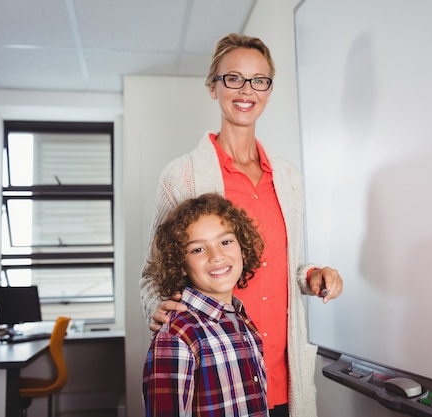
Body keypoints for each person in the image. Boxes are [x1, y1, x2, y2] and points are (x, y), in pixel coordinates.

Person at [140, 33, 344, 417]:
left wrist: (313, 275)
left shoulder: (288, 177)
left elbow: (286, 263)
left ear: (268, 89)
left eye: (259, 80)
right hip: (219, 376)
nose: (245, 89)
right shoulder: (182, 176)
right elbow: (154, 273)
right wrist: (158, 308)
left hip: (284, 374)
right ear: (212, 86)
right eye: (232, 78)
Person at [142, 193, 268, 416]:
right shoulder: (177, 335)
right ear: (180, 264)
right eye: (198, 249)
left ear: (242, 248)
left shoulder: (240, 319)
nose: (216, 256)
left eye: (226, 242)